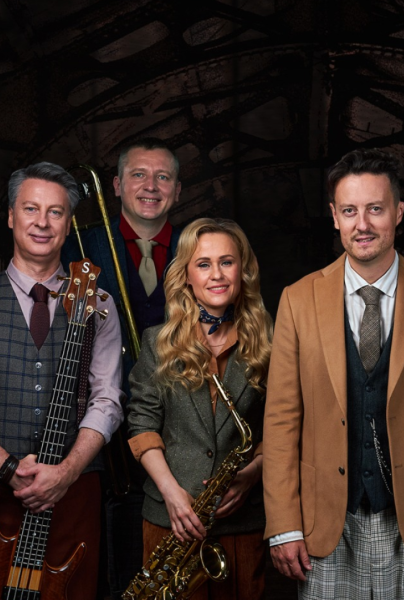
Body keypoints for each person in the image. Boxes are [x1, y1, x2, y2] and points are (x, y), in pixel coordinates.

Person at [263, 148, 404, 599]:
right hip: (326, 525)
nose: (362, 224)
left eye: (375, 209)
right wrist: (283, 525)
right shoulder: (297, 300)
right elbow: (282, 421)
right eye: (349, 211)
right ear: (334, 217)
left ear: (398, 212)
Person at [0, 162, 123, 600]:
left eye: (56, 212)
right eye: (31, 208)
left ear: (68, 224)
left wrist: (66, 472)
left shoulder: (99, 304)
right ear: (11, 216)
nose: (42, 222)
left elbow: (107, 400)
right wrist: (10, 469)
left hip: (73, 492)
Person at [61, 137, 182, 596]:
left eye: (163, 177)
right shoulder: (82, 244)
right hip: (109, 419)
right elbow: (68, 328)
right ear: (115, 185)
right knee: (122, 533)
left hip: (184, 418)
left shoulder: (198, 246)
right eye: (138, 175)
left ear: (177, 190)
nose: (151, 186)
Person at [127, 218, 273, 599]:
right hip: (170, 521)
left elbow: (283, 427)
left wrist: (253, 473)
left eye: (227, 262)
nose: (217, 275)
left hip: (243, 522)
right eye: (203, 264)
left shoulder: (269, 343)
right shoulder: (157, 343)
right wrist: (171, 493)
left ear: (242, 270)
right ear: (187, 276)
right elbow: (141, 425)